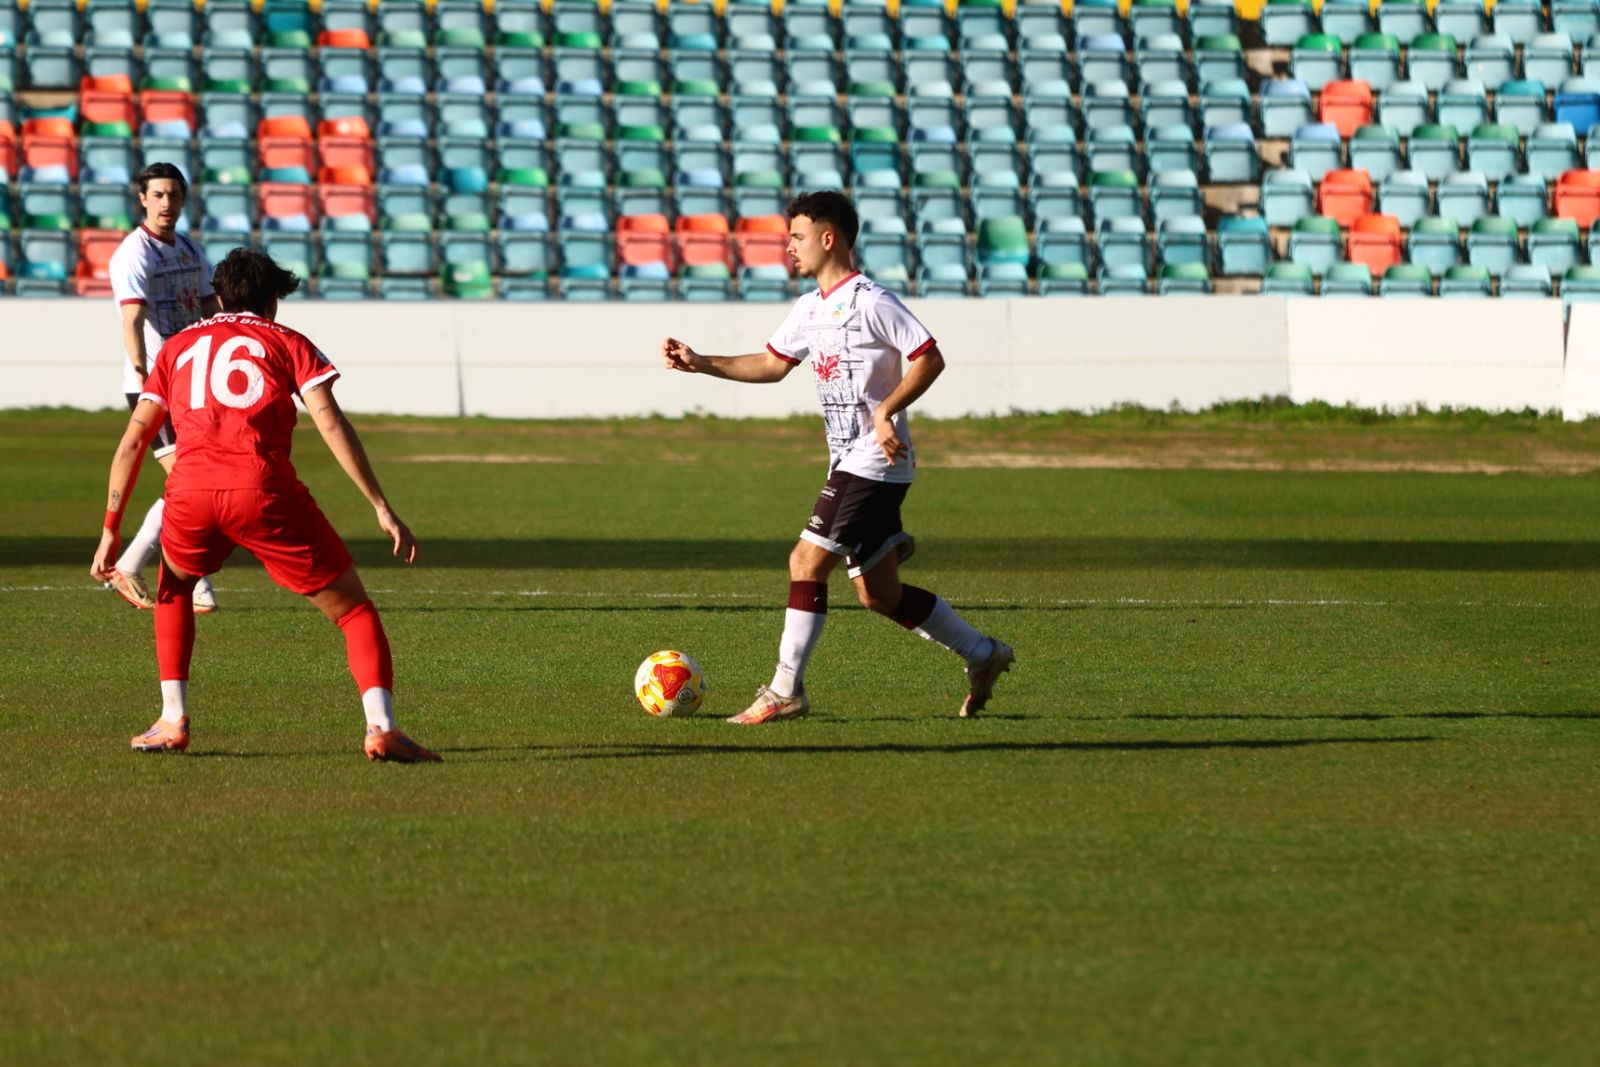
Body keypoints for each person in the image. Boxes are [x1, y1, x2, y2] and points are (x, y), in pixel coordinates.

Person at [661, 190, 1015, 724]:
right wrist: (701, 363)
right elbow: (772, 364)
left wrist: (886, 410)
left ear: (829, 239)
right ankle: (984, 654)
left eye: (798, 237)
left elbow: (929, 357)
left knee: (805, 561)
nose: (789, 248)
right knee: (878, 594)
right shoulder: (809, 307)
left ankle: (785, 690)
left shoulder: (873, 300)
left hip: (876, 459)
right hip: (847, 460)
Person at [90, 249, 441, 763]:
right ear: (273, 300)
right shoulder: (287, 342)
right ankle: (381, 728)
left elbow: (132, 442)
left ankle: (171, 721)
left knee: (174, 591)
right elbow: (329, 422)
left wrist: (110, 531)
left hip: (189, 495)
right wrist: (380, 505)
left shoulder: (178, 348)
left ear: (218, 296)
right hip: (263, 491)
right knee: (354, 611)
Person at [105, 161, 222, 614]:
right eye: (158, 195)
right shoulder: (134, 253)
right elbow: (132, 319)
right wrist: (141, 375)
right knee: (192, 481)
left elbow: (211, 308)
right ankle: (196, 582)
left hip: (194, 381)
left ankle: (132, 563)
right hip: (155, 383)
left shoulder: (191, 250)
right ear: (143, 199)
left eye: (174, 194)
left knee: (196, 482)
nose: (166, 203)